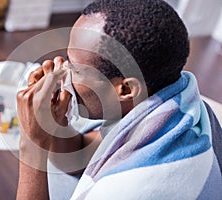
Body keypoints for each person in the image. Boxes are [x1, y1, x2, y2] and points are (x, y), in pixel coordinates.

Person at [16, 0, 222, 199]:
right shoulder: (170, 104)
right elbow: (80, 157)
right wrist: (55, 124)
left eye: (75, 68)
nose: (62, 72)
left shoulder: (132, 187)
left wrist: (32, 145)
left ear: (125, 89)